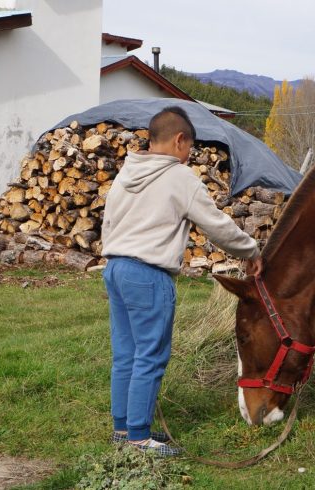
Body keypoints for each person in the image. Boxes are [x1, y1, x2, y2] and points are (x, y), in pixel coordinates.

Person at [100, 106, 261, 456]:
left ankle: (123, 430)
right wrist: (251, 250)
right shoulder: (179, 177)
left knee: (125, 354)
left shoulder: (127, 173)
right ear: (179, 140)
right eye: (189, 147)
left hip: (115, 268)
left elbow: (108, 222)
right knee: (150, 356)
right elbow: (216, 225)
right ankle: (140, 441)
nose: (189, 155)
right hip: (148, 273)